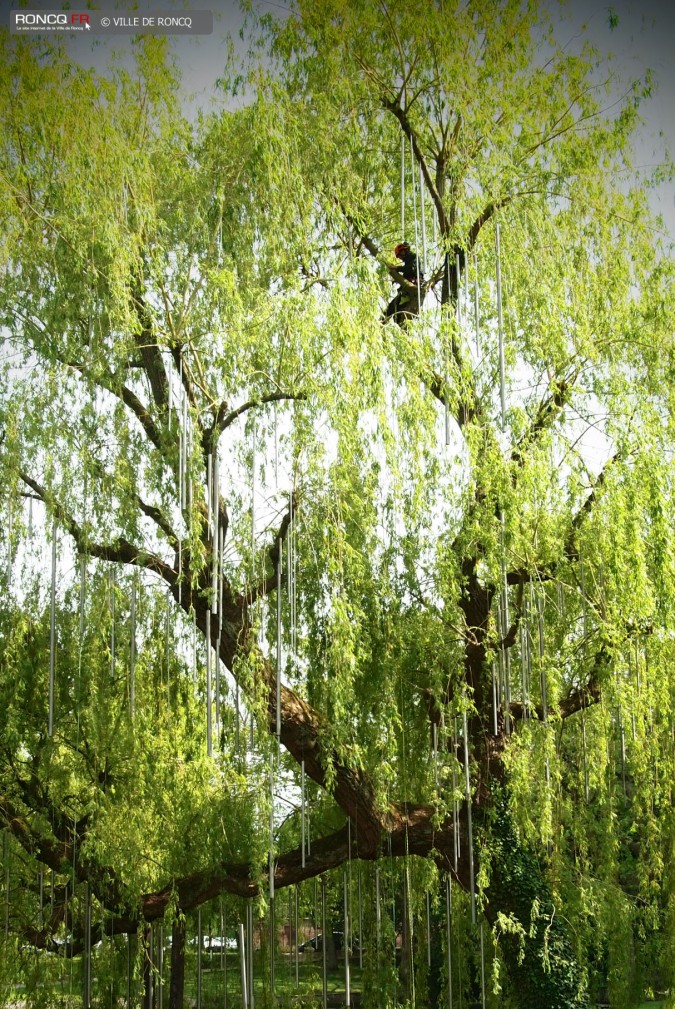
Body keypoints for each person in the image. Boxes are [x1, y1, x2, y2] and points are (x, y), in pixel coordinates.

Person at [383, 242, 424, 326]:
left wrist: (397, 268)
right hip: (408, 287)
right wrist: (398, 280)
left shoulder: (413, 257)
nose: (400, 258)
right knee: (392, 308)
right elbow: (408, 272)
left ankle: (398, 323)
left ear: (404, 250)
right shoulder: (409, 260)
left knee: (396, 307)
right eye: (399, 257)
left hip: (412, 287)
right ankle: (387, 321)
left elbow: (410, 269)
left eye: (400, 255)